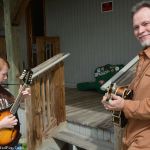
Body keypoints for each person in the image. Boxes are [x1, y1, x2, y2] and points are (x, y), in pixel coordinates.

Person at [102, 1, 150, 150]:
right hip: (131, 136)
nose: (140, 30)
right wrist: (114, 96)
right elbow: (135, 90)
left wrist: (124, 105)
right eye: (136, 27)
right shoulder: (144, 57)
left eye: (146, 23)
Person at [0, 57, 31, 149]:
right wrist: (2, 124)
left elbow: (11, 109)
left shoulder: (4, 92)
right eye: (4, 74)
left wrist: (22, 97)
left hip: (11, 142)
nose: (6, 78)